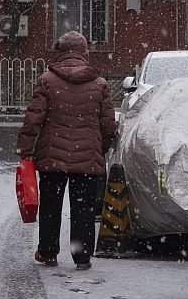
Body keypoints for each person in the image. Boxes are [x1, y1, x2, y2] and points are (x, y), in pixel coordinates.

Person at [17, 31, 117, 269]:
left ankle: (48, 252)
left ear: (60, 52)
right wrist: (99, 148)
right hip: (87, 158)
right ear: (84, 52)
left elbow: (33, 118)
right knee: (83, 209)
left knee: (50, 206)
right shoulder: (100, 84)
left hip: (52, 158)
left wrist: (25, 149)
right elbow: (108, 125)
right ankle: (82, 257)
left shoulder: (46, 80)